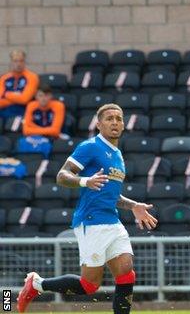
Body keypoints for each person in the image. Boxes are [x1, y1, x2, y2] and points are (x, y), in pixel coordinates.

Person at [17, 103, 158, 314]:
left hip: (112, 221)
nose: (115, 122)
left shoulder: (118, 155)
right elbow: (62, 175)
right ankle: (37, 284)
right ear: (99, 124)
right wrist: (85, 181)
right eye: (109, 118)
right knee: (89, 285)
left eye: (118, 118)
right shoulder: (90, 146)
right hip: (92, 221)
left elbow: (110, 194)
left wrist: (133, 206)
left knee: (126, 273)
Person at [0, 50, 39, 118]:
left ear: (24, 62)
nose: (19, 64)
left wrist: (6, 94)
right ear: (11, 62)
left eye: (21, 61)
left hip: (23, 112)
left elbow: (24, 99)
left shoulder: (32, 77)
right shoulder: (4, 78)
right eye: (15, 61)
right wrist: (17, 97)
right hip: (4, 110)